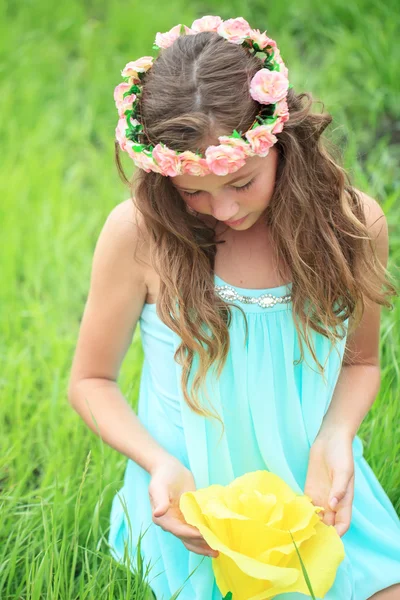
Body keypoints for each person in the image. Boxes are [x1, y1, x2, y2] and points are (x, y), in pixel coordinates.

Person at [67, 15, 400, 600]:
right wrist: (157, 464)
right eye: (193, 191)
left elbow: (360, 364)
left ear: (281, 141)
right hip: (191, 503)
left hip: (314, 492)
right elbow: (91, 381)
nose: (221, 211)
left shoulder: (352, 224)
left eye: (242, 182)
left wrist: (336, 438)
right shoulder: (139, 234)